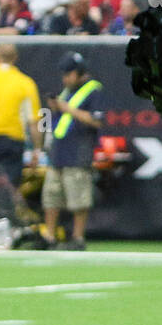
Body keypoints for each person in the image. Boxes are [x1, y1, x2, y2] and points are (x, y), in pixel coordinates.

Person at [42, 52, 104, 251]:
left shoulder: (94, 91)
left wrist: (66, 108)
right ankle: (49, 236)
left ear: (79, 73)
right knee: (51, 196)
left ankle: (78, 238)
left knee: (78, 198)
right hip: (58, 152)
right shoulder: (66, 92)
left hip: (79, 152)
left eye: (68, 74)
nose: (65, 78)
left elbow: (96, 120)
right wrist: (56, 107)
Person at [0, 43, 42, 190]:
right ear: (15, 58)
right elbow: (34, 122)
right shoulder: (25, 83)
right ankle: (5, 212)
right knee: (8, 189)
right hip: (12, 141)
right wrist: (37, 150)